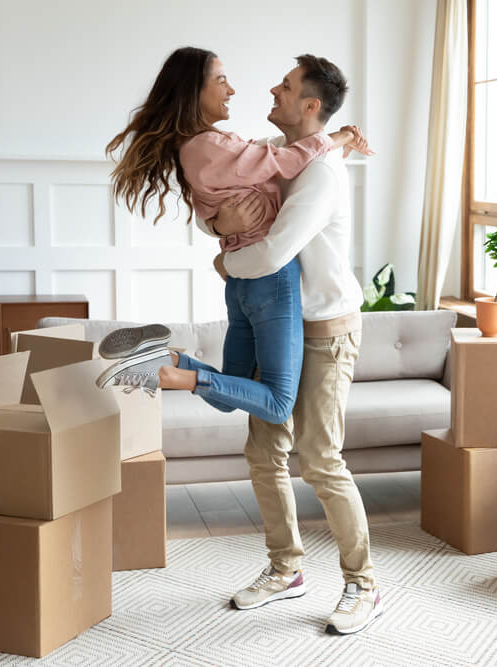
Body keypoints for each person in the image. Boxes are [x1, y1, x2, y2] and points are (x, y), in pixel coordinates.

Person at [98, 47, 370, 430]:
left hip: (243, 288)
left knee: (233, 390)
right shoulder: (219, 146)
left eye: (286, 86)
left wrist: (222, 233)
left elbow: (240, 187)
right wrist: (339, 137)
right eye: (221, 80)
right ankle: (174, 375)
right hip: (270, 283)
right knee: (277, 404)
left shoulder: (202, 148)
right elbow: (285, 167)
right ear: (194, 91)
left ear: (310, 105)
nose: (234, 90)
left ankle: (166, 359)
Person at [210, 54, 381, 636]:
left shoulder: (322, 175)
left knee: (319, 456)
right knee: (263, 450)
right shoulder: (273, 152)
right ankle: (286, 569)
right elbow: (225, 206)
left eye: (285, 87)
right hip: (274, 325)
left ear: (310, 103)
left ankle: (364, 584)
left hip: (326, 330)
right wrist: (220, 229)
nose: (272, 91)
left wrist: (224, 258)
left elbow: (271, 253)